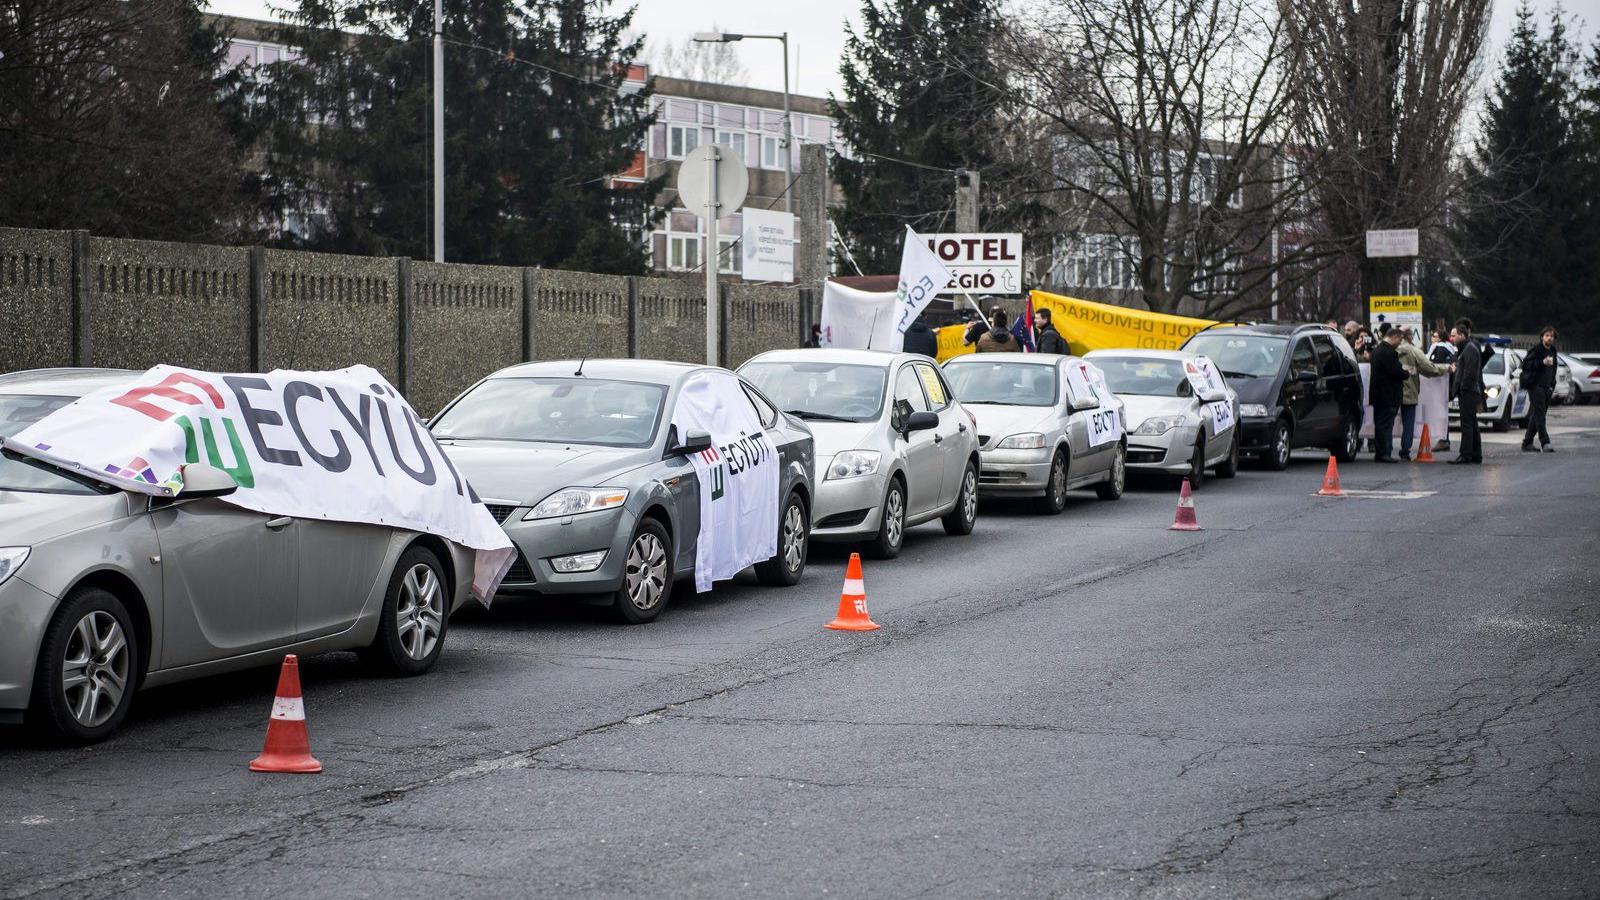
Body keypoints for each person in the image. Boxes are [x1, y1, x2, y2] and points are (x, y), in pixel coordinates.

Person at [1396, 328, 1448, 460]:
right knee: (1408, 424)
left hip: (1391, 393)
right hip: (1409, 393)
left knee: (1387, 422)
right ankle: (1404, 451)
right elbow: (1429, 369)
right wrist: (1446, 368)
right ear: (1410, 337)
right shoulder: (1414, 352)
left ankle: (1383, 450)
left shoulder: (1389, 350)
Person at [1368, 327, 1407, 463]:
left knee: (1379, 424)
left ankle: (1381, 452)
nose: (1400, 343)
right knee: (1385, 425)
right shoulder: (1388, 353)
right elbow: (1396, 372)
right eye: (1400, 340)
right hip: (1388, 395)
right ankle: (1383, 453)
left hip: (1378, 395)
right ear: (1394, 337)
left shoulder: (1377, 350)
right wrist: (1407, 372)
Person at [1520, 325, 1559, 452]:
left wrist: (1552, 384)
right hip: (1535, 386)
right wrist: (1541, 362)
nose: (1549, 338)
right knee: (1540, 415)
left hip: (1547, 387)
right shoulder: (1536, 350)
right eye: (1547, 335)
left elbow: (1554, 369)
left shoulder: (1553, 351)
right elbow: (1526, 364)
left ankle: (1527, 443)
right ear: (1542, 337)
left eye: (1552, 336)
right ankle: (1545, 442)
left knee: (1537, 415)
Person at [1448, 320, 1481, 465]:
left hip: (1468, 392)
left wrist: (1462, 388)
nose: (1453, 339)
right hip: (1468, 391)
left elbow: (1469, 373)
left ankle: (1466, 454)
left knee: (1467, 424)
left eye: (1455, 336)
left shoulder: (1470, 349)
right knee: (1471, 424)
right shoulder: (1466, 349)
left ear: (1462, 335)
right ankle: (1474, 454)